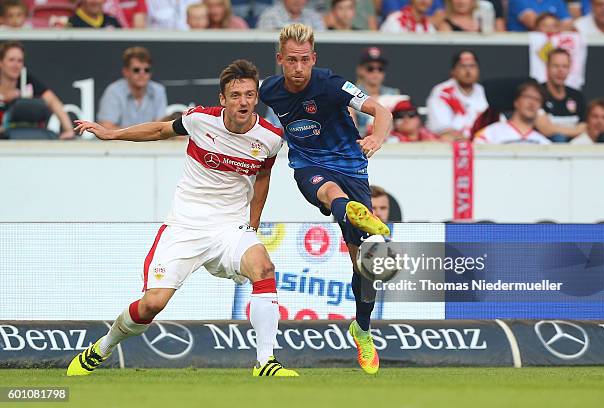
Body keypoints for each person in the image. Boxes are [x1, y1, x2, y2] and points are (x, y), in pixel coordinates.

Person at [67, 59, 298, 377]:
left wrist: (252, 225)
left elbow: (262, 178)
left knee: (264, 267)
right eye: (235, 95)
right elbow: (159, 130)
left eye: (249, 94)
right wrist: (110, 134)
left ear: (256, 97)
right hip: (185, 226)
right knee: (152, 305)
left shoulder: (270, 138)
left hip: (230, 228)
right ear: (223, 99)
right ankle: (103, 347)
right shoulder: (200, 120)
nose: (243, 101)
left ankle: (266, 363)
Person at [259, 23, 393, 375]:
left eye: (304, 60)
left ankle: (361, 330)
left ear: (313, 58)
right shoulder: (269, 90)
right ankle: (351, 211)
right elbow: (237, 108)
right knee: (330, 193)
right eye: (291, 60)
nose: (299, 67)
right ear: (280, 60)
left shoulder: (332, 84)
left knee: (364, 269)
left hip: (352, 169)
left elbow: (382, 111)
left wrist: (376, 138)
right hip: (308, 168)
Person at [0, 41, 74, 139]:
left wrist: (69, 130)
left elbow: (53, 101)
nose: (16, 65)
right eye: (11, 60)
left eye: (20, 61)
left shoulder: (27, 81)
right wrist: (4, 98)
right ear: (1, 62)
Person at [97, 47, 167, 129]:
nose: (142, 74)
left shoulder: (158, 90)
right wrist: (140, 136)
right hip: (118, 142)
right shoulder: (113, 91)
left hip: (151, 141)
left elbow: (160, 127)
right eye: (136, 70)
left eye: (147, 70)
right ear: (126, 72)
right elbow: (106, 128)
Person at [426, 50, 488, 140]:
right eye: (463, 66)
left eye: (472, 66)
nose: (468, 71)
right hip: (451, 147)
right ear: (453, 71)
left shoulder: (484, 91)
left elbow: (498, 125)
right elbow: (444, 131)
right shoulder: (443, 92)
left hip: (482, 144)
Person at [474, 80, 551, 144]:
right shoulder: (490, 133)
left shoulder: (544, 143)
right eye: (528, 97)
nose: (532, 103)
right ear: (516, 101)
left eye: (537, 99)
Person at [535, 48, 586, 142]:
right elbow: (545, 129)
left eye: (565, 66)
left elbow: (584, 127)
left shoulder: (577, 96)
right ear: (547, 67)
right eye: (555, 66)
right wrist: (574, 131)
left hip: (575, 148)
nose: (560, 71)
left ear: (569, 68)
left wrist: (554, 128)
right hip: (545, 148)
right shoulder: (537, 93)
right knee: (559, 138)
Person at [353, 47, 399, 136]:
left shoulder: (394, 94)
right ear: (360, 70)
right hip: (362, 142)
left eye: (380, 69)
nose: (376, 72)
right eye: (370, 68)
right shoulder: (351, 93)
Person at [256, 0, 326, 30]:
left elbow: (323, 42)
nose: (297, 1)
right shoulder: (269, 16)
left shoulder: (314, 17)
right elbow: (265, 44)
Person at [507, 0, 573, 32]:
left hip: (552, 45)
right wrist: (554, 26)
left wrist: (549, 27)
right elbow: (533, 23)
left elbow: (568, 24)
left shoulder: (556, 1)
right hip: (521, 46)